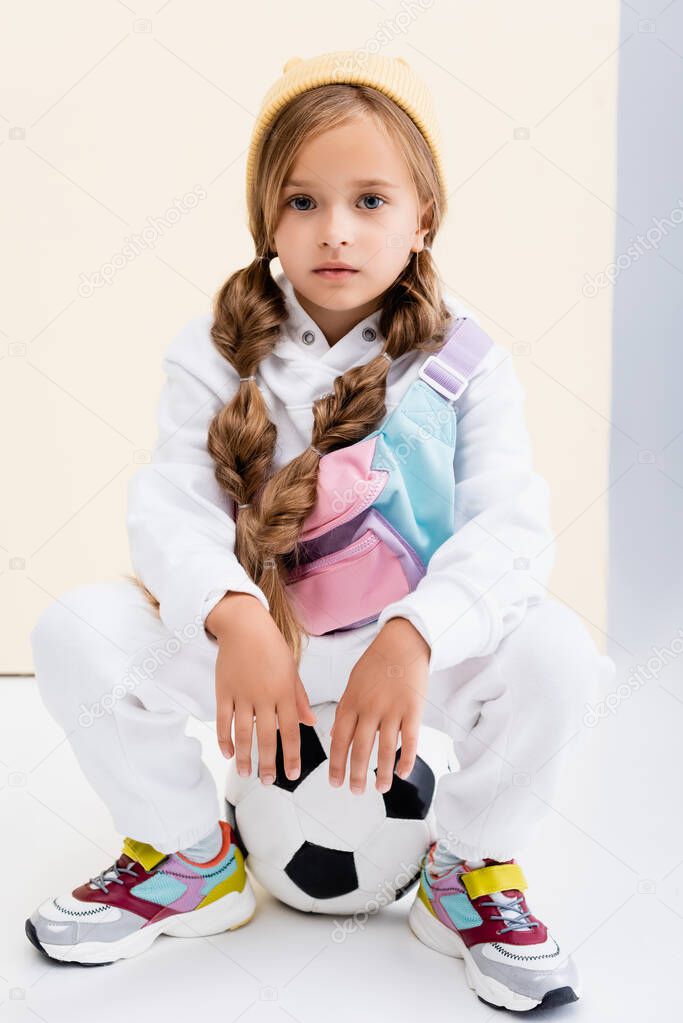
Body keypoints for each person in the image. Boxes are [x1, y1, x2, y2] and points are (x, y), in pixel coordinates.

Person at [26, 51, 615, 1011]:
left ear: (424, 217)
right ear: (267, 219)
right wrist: (235, 617)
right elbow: (171, 504)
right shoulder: (216, 348)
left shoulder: (465, 358)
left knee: (558, 657)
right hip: (267, 662)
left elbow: (510, 527)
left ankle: (466, 870)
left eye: (371, 200)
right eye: (302, 201)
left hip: (410, 661)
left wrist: (417, 630)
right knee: (76, 632)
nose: (335, 231)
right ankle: (188, 855)